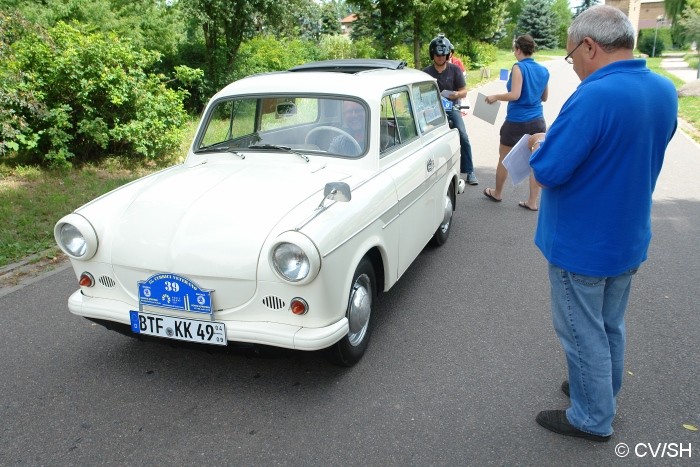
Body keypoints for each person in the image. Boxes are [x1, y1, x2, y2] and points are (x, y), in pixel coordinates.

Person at [528, 5, 677, 442]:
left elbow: (549, 171)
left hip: (582, 244)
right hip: (627, 237)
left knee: (581, 333)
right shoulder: (663, 90)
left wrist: (542, 145)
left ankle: (591, 417)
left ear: (590, 46)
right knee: (609, 323)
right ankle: (601, 391)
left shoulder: (594, 95)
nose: (572, 65)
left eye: (572, 55)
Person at [482, 35, 549, 211]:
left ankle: (497, 192)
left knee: (503, 158)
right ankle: (532, 202)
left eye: (514, 49)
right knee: (536, 160)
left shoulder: (518, 67)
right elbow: (545, 97)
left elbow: (515, 95)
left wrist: (495, 96)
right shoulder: (543, 70)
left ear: (518, 49)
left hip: (516, 121)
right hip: (538, 121)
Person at [423, 34, 478, 186]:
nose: (440, 57)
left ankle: (469, 171)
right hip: (432, 110)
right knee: (424, 137)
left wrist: (455, 94)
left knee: (463, 135)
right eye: (437, 55)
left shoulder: (455, 70)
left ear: (447, 55)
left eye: (443, 55)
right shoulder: (426, 72)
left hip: (452, 107)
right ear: (432, 55)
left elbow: (464, 91)